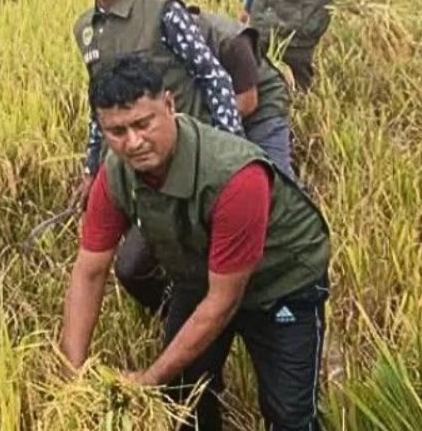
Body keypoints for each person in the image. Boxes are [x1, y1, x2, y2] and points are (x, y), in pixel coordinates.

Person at [61, 54, 330, 431]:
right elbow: (89, 272)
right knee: (182, 399)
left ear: (169, 105)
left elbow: (223, 301)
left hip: (281, 282)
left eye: (143, 123)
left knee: (288, 414)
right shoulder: (116, 173)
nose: (133, 142)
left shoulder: (234, 176)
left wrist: (148, 377)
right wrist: (71, 374)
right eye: (117, 132)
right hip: (200, 273)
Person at [71, 0, 245, 312]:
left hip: (192, 159)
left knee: (201, 259)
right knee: (132, 268)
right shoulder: (86, 29)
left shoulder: (161, 8)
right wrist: (91, 168)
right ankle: (179, 318)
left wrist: (233, 154)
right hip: (139, 166)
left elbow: (212, 75)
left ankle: (205, 325)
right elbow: (98, 105)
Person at [190, 10, 294, 178]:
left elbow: (248, 101)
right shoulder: (171, 45)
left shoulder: (231, 41)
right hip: (221, 112)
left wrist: (206, 128)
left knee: (277, 179)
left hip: (262, 105)